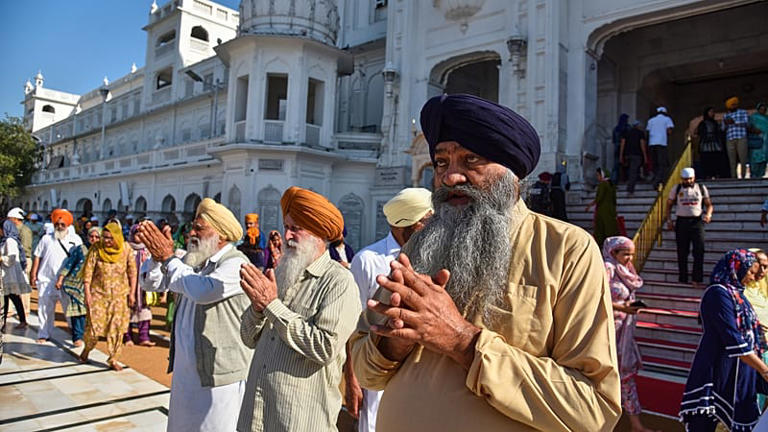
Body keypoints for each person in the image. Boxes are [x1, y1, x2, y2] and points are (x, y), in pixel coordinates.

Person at [350, 94, 620, 431]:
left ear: (513, 173)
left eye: (470, 159)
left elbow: (593, 407)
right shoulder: (420, 245)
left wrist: (462, 341)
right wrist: (394, 341)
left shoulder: (566, 250)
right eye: (442, 162)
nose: (451, 177)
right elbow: (365, 370)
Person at [236, 186, 362, 432]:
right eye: (286, 227)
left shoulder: (339, 281)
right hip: (256, 417)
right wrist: (259, 308)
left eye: (296, 228)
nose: (287, 235)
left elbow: (324, 347)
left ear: (318, 233)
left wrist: (272, 305)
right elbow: (248, 338)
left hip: (299, 421)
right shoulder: (281, 273)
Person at [137, 198, 253, 432]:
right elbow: (152, 283)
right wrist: (156, 257)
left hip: (219, 377)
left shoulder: (236, 264)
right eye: (193, 226)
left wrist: (168, 259)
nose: (192, 232)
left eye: (199, 228)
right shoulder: (195, 260)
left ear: (220, 235)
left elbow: (203, 291)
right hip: (186, 372)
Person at [346, 187, 433, 431]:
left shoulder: (435, 256)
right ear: (403, 223)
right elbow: (354, 326)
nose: (431, 228)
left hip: (423, 374)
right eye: (425, 221)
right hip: (377, 371)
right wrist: (352, 380)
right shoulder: (368, 260)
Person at [680, 249, 768, 432]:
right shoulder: (717, 293)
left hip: (742, 371)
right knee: (708, 424)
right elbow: (732, 337)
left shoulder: (739, 295)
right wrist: (764, 370)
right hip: (720, 369)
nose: (752, 277)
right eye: (750, 271)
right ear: (736, 268)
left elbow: (752, 334)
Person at [603, 237, 658, 432]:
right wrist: (620, 307)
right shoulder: (607, 269)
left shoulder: (626, 271)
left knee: (626, 377)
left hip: (624, 334)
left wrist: (628, 308)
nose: (629, 258)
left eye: (632, 254)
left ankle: (635, 425)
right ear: (613, 252)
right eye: (625, 253)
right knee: (603, 376)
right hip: (606, 334)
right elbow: (595, 298)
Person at [78, 222, 135, 370]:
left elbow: (132, 272)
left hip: (119, 296)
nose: (106, 241)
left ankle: (113, 358)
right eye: (104, 237)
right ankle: (87, 349)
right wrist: (87, 294)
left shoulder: (126, 249)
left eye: (110, 238)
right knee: (93, 326)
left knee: (116, 328)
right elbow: (87, 273)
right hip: (98, 294)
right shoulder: (96, 249)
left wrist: (132, 293)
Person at [30, 209, 82, 343]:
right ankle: (43, 334)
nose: (59, 227)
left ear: (68, 225)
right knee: (45, 308)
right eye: (57, 224)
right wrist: (33, 273)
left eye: (62, 224)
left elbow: (81, 259)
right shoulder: (46, 239)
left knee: (70, 309)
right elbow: (37, 256)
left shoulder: (75, 240)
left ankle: (75, 334)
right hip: (46, 280)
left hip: (68, 281)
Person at [666, 168, 713, 288]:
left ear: (694, 178)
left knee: (699, 250)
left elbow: (709, 205)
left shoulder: (701, 188)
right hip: (681, 221)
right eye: (686, 179)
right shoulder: (676, 189)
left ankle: (697, 278)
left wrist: (708, 214)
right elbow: (668, 205)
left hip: (697, 221)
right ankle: (683, 277)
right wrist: (669, 220)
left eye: (690, 179)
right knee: (682, 251)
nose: (688, 181)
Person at [55, 227, 99, 346]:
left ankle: (86, 333)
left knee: (89, 311)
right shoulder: (81, 249)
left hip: (93, 285)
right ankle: (77, 336)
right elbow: (69, 264)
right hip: (75, 284)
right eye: (91, 236)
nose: (93, 239)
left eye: (97, 237)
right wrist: (60, 279)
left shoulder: (102, 251)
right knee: (77, 311)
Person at [744, 249, 768, 409]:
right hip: (750, 354)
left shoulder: (761, 290)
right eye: (759, 265)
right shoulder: (738, 292)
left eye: (766, 267)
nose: (762, 271)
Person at [124, 225, 155, 347]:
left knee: (145, 312)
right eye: (136, 233)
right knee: (127, 311)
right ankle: (127, 337)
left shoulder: (148, 250)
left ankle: (144, 337)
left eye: (142, 233)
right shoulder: (126, 249)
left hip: (143, 286)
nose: (139, 235)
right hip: (127, 284)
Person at [1, 220, 30, 331]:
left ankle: (6, 323)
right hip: (6, 273)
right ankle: (20, 320)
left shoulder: (10, 241)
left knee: (8, 297)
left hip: (9, 273)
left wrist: (1, 258)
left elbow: (11, 258)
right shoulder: (5, 240)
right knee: (10, 297)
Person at [6, 208, 32, 319]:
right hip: (13, 260)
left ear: (16, 219)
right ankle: (10, 310)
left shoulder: (24, 230)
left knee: (23, 286)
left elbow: (25, 247)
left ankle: (25, 311)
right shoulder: (13, 230)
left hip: (23, 259)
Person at [585, 168, 619, 247]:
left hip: (603, 210)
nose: (597, 177)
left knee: (601, 229)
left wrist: (589, 206)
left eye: (598, 175)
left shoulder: (603, 184)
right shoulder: (611, 184)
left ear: (602, 175)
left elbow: (599, 198)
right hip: (611, 210)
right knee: (610, 228)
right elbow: (614, 199)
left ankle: (601, 245)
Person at [646, 106, 674, 186]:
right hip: (661, 143)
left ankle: (655, 178)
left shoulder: (651, 120)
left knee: (654, 163)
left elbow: (648, 131)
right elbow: (669, 131)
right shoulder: (667, 119)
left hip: (652, 143)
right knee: (662, 163)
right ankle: (659, 180)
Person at [723, 97, 750, 179]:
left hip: (741, 137)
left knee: (743, 158)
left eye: (734, 104)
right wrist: (726, 123)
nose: (733, 106)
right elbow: (722, 129)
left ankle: (743, 176)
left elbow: (747, 124)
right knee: (732, 160)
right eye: (731, 105)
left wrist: (734, 122)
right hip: (730, 138)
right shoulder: (726, 115)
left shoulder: (743, 112)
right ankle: (733, 177)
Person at [695, 107, 725, 180]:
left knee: (716, 160)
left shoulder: (715, 123)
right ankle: (707, 175)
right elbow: (698, 132)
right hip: (705, 145)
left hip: (715, 144)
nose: (712, 113)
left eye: (713, 112)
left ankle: (716, 174)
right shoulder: (702, 123)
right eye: (710, 112)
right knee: (706, 161)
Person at [620, 120, 649, 193]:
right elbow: (642, 145)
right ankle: (630, 188)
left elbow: (622, 144)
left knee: (630, 170)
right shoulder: (640, 133)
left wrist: (621, 155)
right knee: (633, 171)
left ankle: (629, 183)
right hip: (636, 154)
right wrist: (645, 156)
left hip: (627, 155)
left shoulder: (626, 133)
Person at [748, 102, 768, 179]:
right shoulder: (753, 117)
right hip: (756, 141)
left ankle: (761, 175)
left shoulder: (767, 118)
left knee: (764, 160)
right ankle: (753, 175)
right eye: (761, 109)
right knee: (754, 159)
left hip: (766, 143)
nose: (763, 110)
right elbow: (748, 127)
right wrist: (754, 130)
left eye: (764, 109)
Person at [612, 113, 631, 184]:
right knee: (627, 165)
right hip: (626, 148)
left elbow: (613, 140)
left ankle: (614, 180)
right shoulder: (628, 128)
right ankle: (627, 179)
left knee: (616, 165)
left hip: (617, 147)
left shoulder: (616, 129)